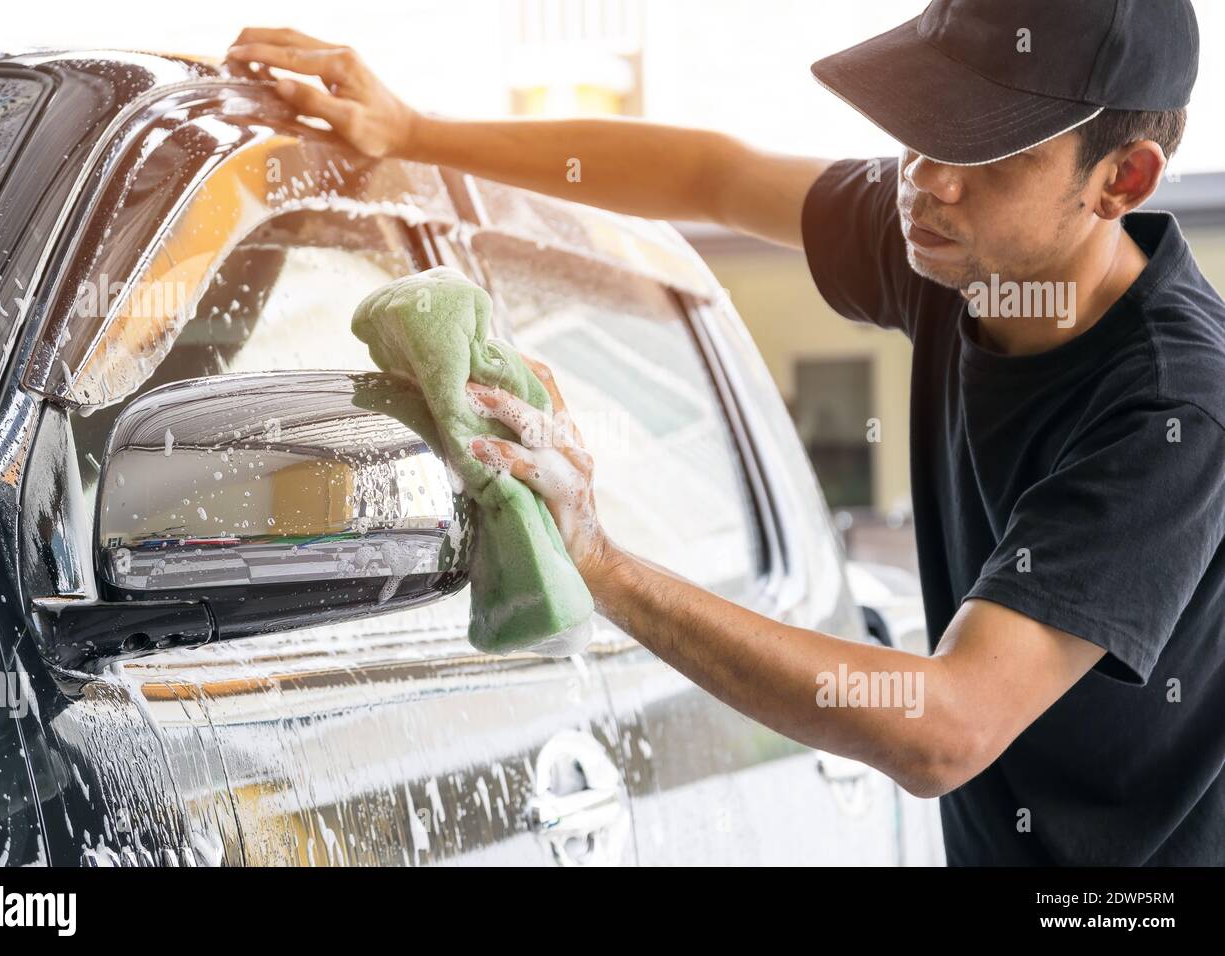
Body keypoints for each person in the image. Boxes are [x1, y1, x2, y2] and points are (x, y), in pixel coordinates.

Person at [227, 0, 1225, 865]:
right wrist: (411, 129)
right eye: (921, 127)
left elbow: (945, 728)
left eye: (980, 146)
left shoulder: (1171, 414)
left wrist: (599, 561)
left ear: (1121, 180)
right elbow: (708, 173)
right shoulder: (957, 242)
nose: (925, 177)